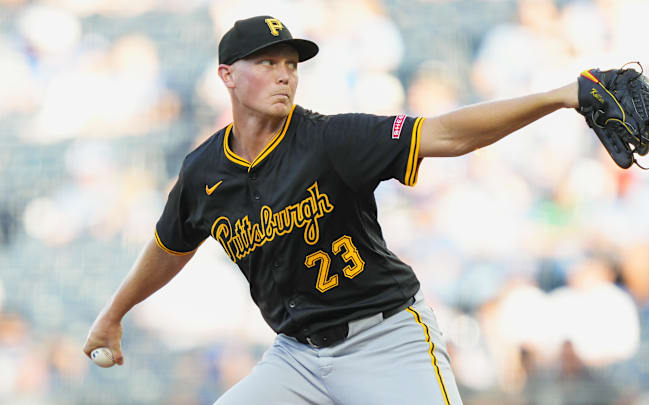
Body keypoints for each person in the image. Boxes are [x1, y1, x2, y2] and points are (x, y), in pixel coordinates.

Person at [83, 15, 579, 404]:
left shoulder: (331, 140)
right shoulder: (204, 171)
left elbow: (446, 133)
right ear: (227, 76)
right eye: (268, 63)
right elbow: (170, 246)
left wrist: (559, 96)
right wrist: (113, 313)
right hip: (296, 357)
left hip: (384, 341)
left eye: (291, 65)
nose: (285, 76)